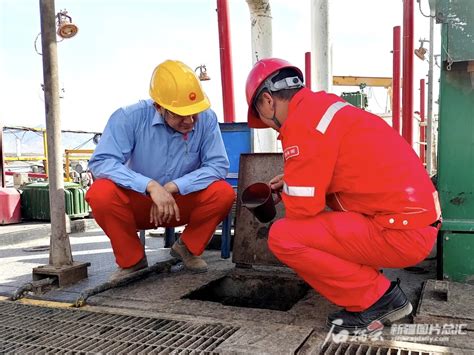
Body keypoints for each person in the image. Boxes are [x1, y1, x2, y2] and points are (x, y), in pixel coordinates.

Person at [244, 58, 441, 333]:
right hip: (414, 224)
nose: (273, 128)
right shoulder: (323, 109)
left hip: (402, 233)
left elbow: (303, 208)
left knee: (283, 236)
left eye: (265, 120)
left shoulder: (301, 123)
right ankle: (372, 285)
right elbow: (346, 169)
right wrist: (292, 181)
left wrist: (287, 193)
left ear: (267, 101)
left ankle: (380, 299)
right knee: (328, 219)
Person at [86, 60, 235, 281]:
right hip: (140, 203)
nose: (190, 121)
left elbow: (218, 165)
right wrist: (149, 187)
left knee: (223, 193)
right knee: (100, 193)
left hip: (179, 202)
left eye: (194, 113)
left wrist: (172, 188)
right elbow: (102, 162)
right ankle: (132, 260)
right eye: (180, 115)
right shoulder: (128, 117)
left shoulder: (207, 119)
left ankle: (187, 247)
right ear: (158, 106)